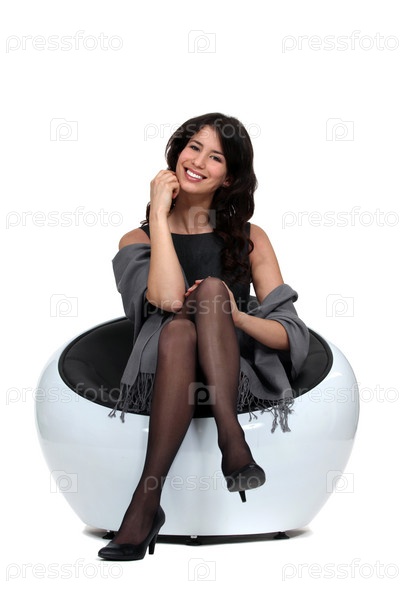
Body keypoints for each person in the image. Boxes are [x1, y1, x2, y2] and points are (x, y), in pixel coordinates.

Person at [98, 113, 310, 561]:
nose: (197, 161)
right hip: (161, 377)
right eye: (193, 147)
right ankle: (233, 444)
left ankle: (144, 505)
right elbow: (168, 298)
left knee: (213, 292)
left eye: (215, 157)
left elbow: (290, 335)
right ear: (177, 153)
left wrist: (237, 316)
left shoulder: (251, 239)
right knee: (177, 329)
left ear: (228, 177)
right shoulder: (136, 239)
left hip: (234, 375)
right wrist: (159, 214)